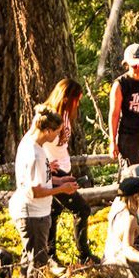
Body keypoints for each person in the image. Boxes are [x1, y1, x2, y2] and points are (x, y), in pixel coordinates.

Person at [9, 108, 78, 272]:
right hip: (33, 215)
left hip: (35, 214)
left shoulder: (31, 142)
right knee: (38, 263)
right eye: (57, 132)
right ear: (47, 130)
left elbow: (37, 178)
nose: (57, 137)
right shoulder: (34, 154)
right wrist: (62, 189)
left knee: (29, 258)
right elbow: (35, 191)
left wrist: (59, 179)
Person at [41, 78, 94, 263]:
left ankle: (51, 255)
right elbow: (36, 143)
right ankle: (83, 255)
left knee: (54, 212)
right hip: (54, 172)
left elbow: (61, 146)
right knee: (82, 210)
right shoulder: (49, 117)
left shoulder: (64, 116)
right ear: (66, 98)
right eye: (76, 99)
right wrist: (46, 167)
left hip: (64, 169)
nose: (77, 104)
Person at [108, 43, 139, 166]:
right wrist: (112, 141)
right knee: (132, 173)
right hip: (128, 134)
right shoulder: (120, 85)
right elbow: (114, 114)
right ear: (127, 65)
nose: (138, 68)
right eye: (134, 65)